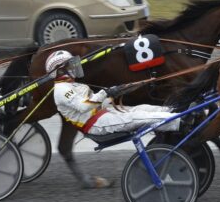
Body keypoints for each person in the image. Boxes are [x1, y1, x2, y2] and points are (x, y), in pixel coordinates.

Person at [46, 49, 182, 139]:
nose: (74, 66)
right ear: (60, 70)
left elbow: (95, 103)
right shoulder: (61, 90)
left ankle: (177, 111)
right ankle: (180, 121)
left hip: (105, 113)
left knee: (144, 109)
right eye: (70, 65)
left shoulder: (74, 85)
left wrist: (117, 91)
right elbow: (84, 107)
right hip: (96, 124)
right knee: (139, 117)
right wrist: (105, 93)